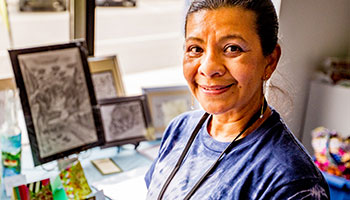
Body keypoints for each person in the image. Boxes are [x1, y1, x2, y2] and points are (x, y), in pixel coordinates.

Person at [144, 0, 330, 199]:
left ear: (270, 61)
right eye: (196, 49)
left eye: (232, 48)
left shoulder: (291, 182)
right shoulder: (179, 129)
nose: (208, 68)